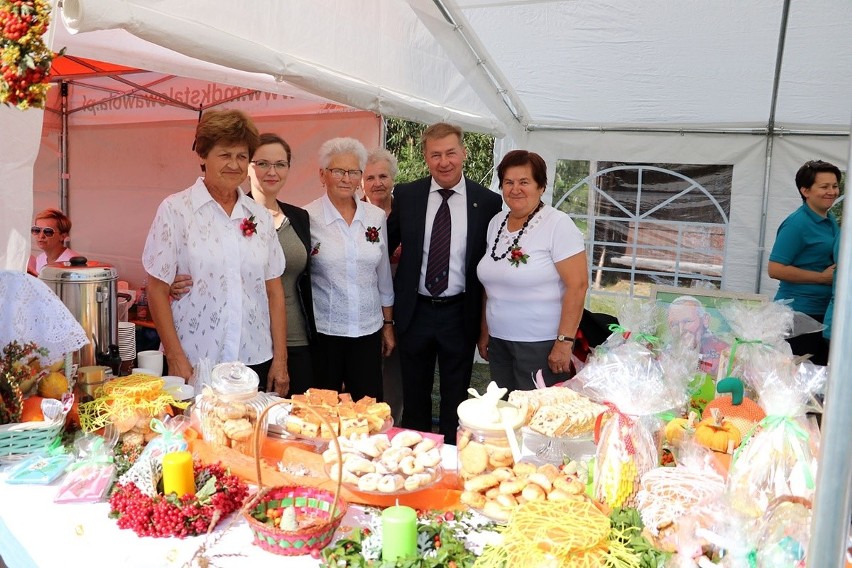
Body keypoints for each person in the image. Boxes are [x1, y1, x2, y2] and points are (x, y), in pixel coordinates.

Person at [142, 110, 289, 394]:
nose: (234, 164)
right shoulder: (176, 210)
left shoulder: (259, 216)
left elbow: (273, 291)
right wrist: (176, 358)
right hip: (196, 361)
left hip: (253, 358)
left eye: (242, 156)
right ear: (203, 156)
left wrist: (280, 361)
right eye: (225, 155)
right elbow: (156, 289)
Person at [169, 133, 317, 396]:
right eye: (262, 163)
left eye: (280, 164)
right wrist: (171, 284)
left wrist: (280, 359)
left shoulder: (300, 217)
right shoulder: (183, 209)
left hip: (284, 340)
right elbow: (167, 279)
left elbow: (291, 283)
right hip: (211, 348)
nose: (272, 171)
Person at [387, 122, 502, 444]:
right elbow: (383, 247)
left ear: (463, 153)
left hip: (459, 313)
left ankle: (453, 461)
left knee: (457, 400)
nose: (444, 161)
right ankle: (416, 459)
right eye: (435, 155)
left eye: (451, 152)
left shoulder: (488, 202)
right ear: (425, 157)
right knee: (415, 398)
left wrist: (484, 325)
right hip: (415, 312)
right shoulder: (407, 196)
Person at [476, 150, 588, 393]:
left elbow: (577, 286)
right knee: (505, 411)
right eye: (509, 182)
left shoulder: (558, 224)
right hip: (500, 341)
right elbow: (491, 284)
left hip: (542, 345)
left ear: (541, 186)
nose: (516, 189)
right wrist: (485, 332)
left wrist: (564, 343)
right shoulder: (496, 223)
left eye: (524, 182)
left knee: (536, 417)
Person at [306, 137, 395, 401]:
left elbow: (383, 277)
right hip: (325, 333)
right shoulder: (306, 217)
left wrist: (388, 324)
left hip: (368, 330)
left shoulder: (375, 217)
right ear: (323, 175)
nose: (346, 178)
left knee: (368, 406)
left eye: (353, 172)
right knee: (324, 409)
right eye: (338, 171)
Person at [768, 159, 841, 366]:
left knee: (817, 377)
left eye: (835, 186)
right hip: (798, 314)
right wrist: (821, 278)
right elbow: (774, 269)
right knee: (797, 375)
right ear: (806, 191)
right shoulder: (797, 223)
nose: (832, 191)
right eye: (824, 186)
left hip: (822, 312)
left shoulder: (830, 219)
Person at [362, 148, 404, 422]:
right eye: (370, 177)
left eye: (383, 176)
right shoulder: (353, 214)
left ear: (393, 179)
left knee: (396, 372)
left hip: (401, 305)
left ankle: (394, 422)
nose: (377, 183)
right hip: (363, 302)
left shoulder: (407, 212)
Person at [666, 295, 730, 376]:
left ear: (705, 320)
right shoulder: (665, 355)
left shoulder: (724, 353)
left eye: (687, 321)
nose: (681, 330)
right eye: (674, 324)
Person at [27, 208, 80, 275]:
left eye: (48, 231)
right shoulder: (40, 259)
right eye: (36, 230)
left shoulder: (73, 263)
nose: (41, 236)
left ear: (63, 236)